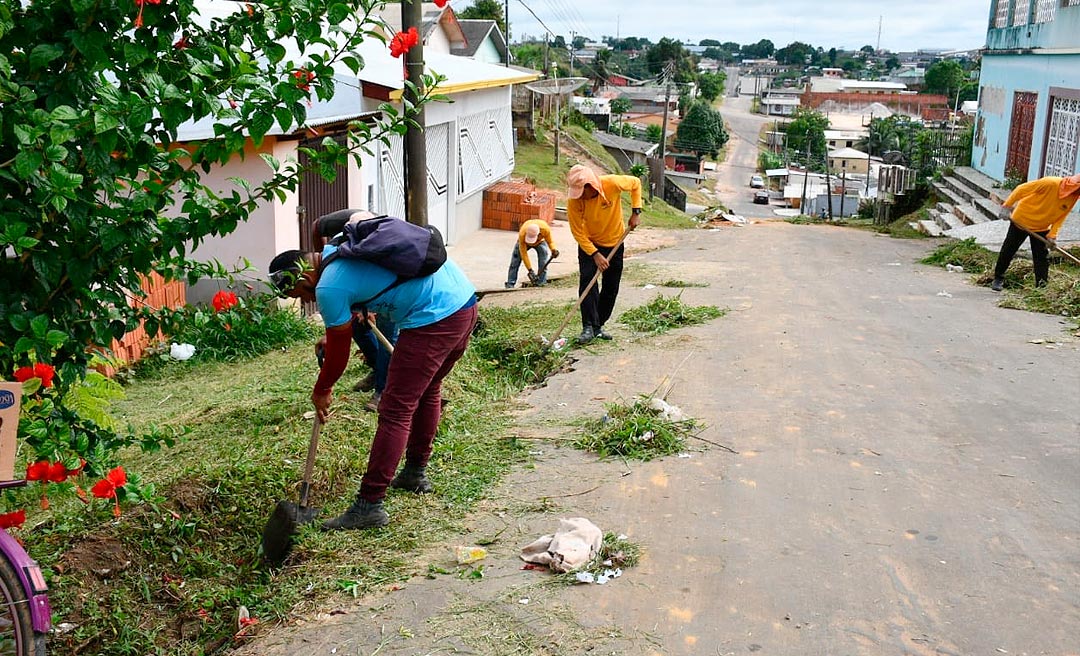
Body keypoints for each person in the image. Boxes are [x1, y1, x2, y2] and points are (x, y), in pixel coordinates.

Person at [268, 244, 477, 531]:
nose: (308, 299)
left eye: (301, 295)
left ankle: (369, 505)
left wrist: (322, 389)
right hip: (462, 302)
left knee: (394, 410)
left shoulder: (329, 286)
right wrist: (341, 328)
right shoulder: (340, 249)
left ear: (303, 278)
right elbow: (366, 286)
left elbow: (339, 355)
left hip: (435, 316)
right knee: (429, 389)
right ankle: (414, 473)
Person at [312, 209, 397, 409]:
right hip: (361, 282)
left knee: (387, 331)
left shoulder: (372, 230)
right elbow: (317, 233)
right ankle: (378, 370)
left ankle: (383, 391)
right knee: (358, 328)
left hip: (389, 283)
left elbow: (375, 267)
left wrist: (371, 308)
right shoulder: (327, 233)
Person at [565, 164, 643, 343]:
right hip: (590, 245)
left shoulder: (612, 184)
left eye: (581, 191)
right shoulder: (574, 202)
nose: (579, 196)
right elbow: (577, 232)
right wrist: (595, 254)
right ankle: (588, 327)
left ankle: (598, 325)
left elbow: (636, 183)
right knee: (588, 284)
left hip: (615, 242)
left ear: (590, 186)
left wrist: (636, 212)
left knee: (611, 287)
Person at [991, 173, 1080, 291]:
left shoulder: (1073, 197)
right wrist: (1007, 206)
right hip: (1021, 221)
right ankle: (998, 279)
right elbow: (1020, 189)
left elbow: (1062, 215)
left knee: (1041, 258)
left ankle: (1041, 286)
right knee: (1009, 249)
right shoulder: (1050, 183)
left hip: (1041, 227)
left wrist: (1052, 235)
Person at [506, 219, 558, 288]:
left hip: (540, 242)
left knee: (543, 262)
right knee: (515, 262)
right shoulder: (522, 234)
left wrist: (553, 249)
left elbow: (550, 242)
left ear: (539, 234)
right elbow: (523, 254)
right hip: (524, 242)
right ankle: (510, 284)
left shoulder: (545, 229)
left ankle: (541, 282)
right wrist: (530, 270)